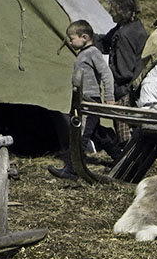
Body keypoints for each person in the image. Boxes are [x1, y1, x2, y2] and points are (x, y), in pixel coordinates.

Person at [49, 20, 120, 180]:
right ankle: (120, 158)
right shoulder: (83, 54)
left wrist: (109, 97)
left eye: (72, 38)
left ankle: (72, 170)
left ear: (84, 37)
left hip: (90, 100)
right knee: (97, 134)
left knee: (80, 135)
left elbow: (106, 74)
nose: (70, 41)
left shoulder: (93, 52)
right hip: (82, 100)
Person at [98, 0, 149, 147]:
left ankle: (127, 163)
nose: (110, 12)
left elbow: (124, 69)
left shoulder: (124, 35)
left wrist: (115, 83)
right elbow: (105, 43)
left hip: (124, 89)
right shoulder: (133, 27)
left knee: (124, 132)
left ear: (121, 11)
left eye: (113, 10)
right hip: (136, 85)